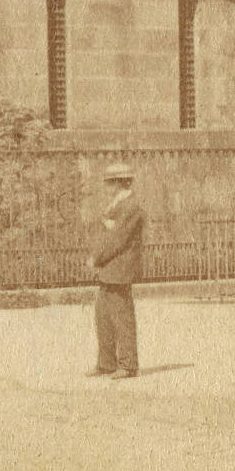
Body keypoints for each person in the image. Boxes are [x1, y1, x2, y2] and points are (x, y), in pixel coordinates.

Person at [89, 162, 144, 379]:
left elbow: (117, 239)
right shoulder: (116, 204)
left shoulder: (131, 206)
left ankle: (128, 365)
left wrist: (96, 258)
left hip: (120, 268)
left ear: (121, 182)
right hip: (110, 268)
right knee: (103, 316)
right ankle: (106, 363)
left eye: (110, 182)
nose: (107, 187)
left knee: (122, 318)